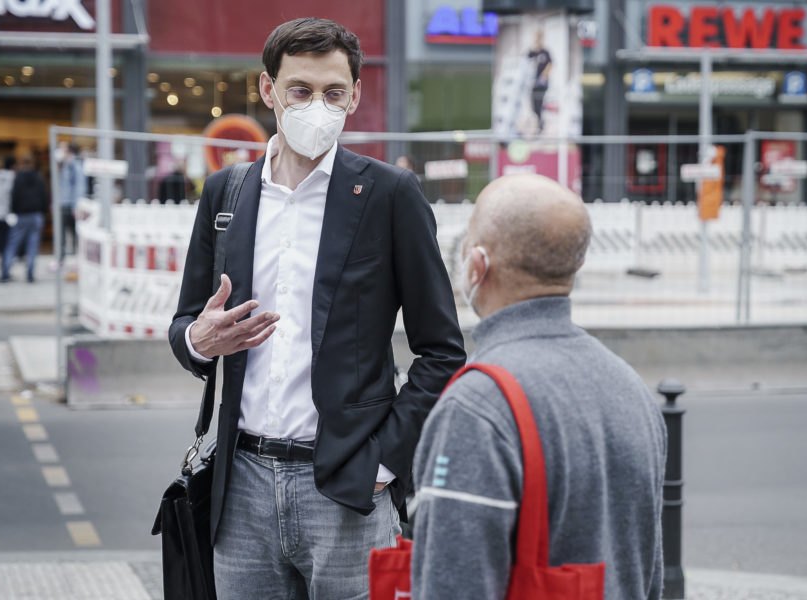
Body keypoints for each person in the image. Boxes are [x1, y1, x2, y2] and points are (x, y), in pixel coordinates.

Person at [168, 17, 465, 600]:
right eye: (300, 90)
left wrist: (383, 465)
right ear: (268, 89)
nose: (317, 107)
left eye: (333, 93)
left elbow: (442, 351)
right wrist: (200, 341)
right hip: (241, 487)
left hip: (346, 490)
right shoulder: (227, 193)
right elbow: (185, 328)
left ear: (354, 96)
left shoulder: (389, 194)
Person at [411, 174, 667, 599]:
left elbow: (451, 583)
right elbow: (646, 568)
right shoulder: (631, 389)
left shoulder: (478, 405)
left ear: (477, 264)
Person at [1, 157, 47, 283]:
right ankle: (30, 273)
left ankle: (5, 272)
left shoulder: (18, 178)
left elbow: (14, 196)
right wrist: (43, 211)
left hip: (21, 215)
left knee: (12, 245)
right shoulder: (39, 178)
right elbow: (44, 196)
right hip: (36, 215)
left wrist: (13, 211)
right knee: (32, 246)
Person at [58, 143, 85, 261]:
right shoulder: (65, 165)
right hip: (64, 204)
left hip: (70, 205)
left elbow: (79, 187)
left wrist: (76, 206)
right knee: (62, 233)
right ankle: (62, 258)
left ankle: (76, 258)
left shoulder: (75, 166)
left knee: (75, 233)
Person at [527, 29, 552, 134]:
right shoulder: (531, 53)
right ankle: (536, 124)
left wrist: (543, 77)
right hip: (531, 84)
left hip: (541, 84)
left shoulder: (545, 52)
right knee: (533, 106)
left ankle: (540, 126)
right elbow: (524, 64)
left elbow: (550, 65)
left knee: (539, 104)